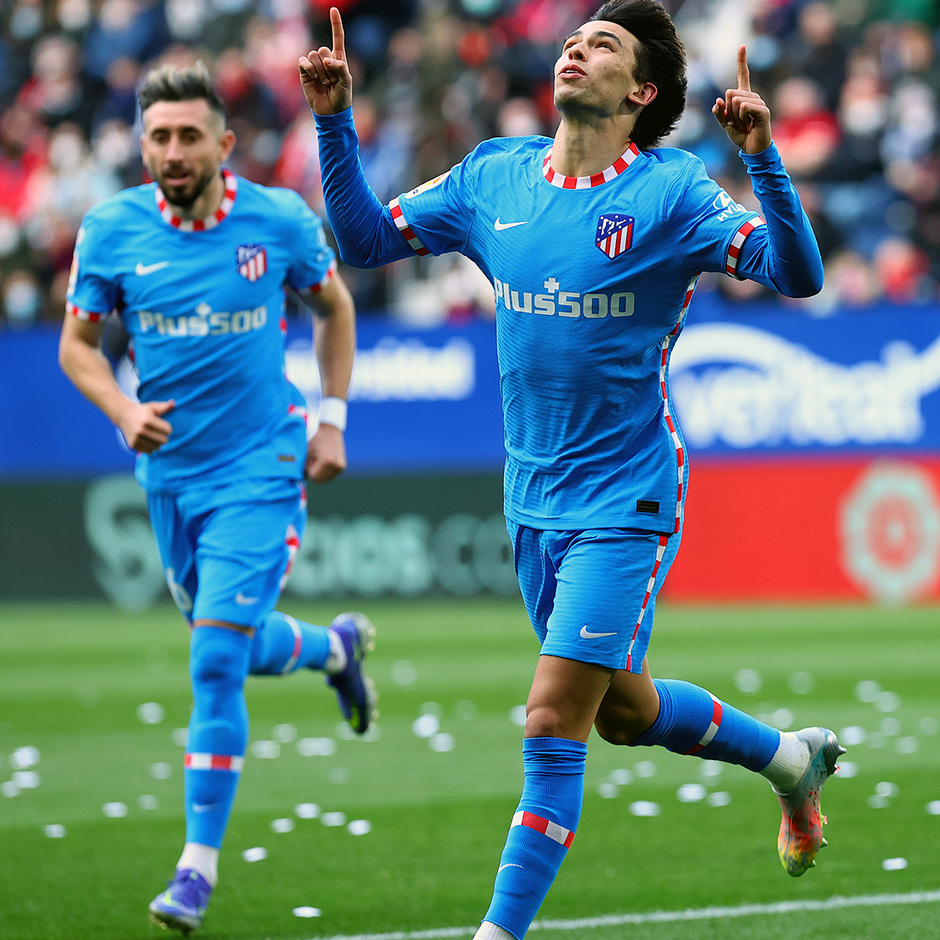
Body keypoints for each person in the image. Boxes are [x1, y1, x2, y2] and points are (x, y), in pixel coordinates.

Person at [299, 2, 845, 938]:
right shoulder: (494, 176)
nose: (573, 49)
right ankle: (789, 761)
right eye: (572, 37)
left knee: (553, 719)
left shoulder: (672, 190)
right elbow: (362, 241)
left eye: (601, 45)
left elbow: (796, 274)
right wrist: (332, 118)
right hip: (532, 499)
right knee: (622, 712)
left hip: (628, 495)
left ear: (639, 92)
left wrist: (760, 157)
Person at [58, 60, 377, 936]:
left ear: (224, 143)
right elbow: (78, 347)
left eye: (189, 134)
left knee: (211, 662)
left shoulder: (277, 219)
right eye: (158, 136)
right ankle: (334, 651)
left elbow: (336, 311)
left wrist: (332, 422)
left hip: (261, 465)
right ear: (141, 143)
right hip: (169, 475)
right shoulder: (111, 230)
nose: (172, 150)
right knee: (226, 643)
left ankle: (195, 870)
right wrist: (121, 409)